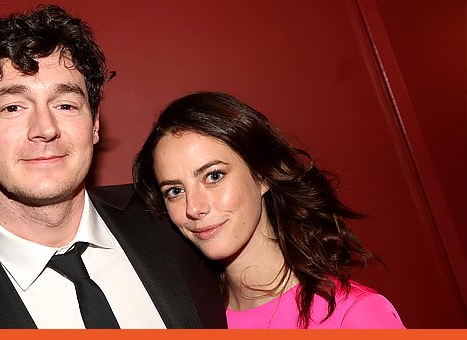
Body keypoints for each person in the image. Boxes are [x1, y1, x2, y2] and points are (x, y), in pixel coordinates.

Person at [0, 6, 226, 329]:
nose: (45, 128)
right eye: (13, 107)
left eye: (65, 105)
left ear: (95, 123)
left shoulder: (179, 218)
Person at [133, 91, 405, 329]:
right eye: (175, 191)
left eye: (214, 176)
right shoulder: (182, 319)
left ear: (262, 174)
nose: (194, 207)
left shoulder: (355, 316)